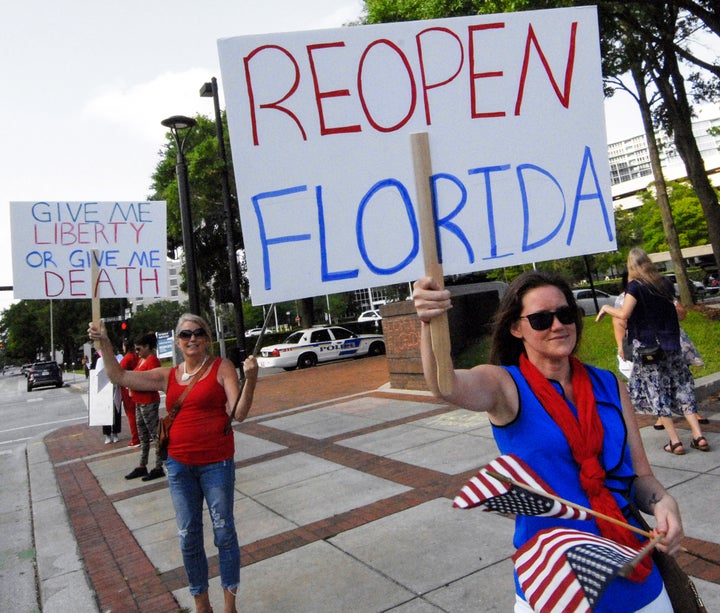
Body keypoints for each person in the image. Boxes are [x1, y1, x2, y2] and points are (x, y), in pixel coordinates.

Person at [414, 270, 682, 612]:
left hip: (634, 570)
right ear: (516, 328)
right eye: (541, 319)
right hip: (555, 580)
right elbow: (445, 385)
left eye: (565, 314)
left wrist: (662, 502)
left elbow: (640, 478)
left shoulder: (610, 385)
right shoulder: (504, 387)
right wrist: (428, 322)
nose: (557, 325)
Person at [89, 313, 258, 613]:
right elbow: (119, 377)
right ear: (178, 342)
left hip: (216, 463)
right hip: (179, 466)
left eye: (198, 333)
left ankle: (229, 604)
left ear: (206, 338)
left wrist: (252, 380)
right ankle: (201, 603)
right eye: (185, 334)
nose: (192, 338)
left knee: (224, 532)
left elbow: (239, 413)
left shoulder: (222, 368)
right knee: (188, 536)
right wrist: (105, 342)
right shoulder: (169, 375)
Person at [597, 248, 710, 455]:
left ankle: (675, 442)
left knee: (657, 392)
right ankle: (698, 436)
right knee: (683, 387)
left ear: (631, 266)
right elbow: (680, 313)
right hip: (672, 345)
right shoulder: (664, 283)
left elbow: (624, 314)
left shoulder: (635, 287)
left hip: (650, 348)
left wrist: (605, 309)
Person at [124, 332, 164, 481]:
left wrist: (134, 383)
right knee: (143, 435)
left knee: (155, 434)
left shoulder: (152, 361)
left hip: (148, 401)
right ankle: (143, 464)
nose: (137, 352)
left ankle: (159, 466)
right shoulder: (142, 360)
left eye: (139, 349)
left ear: (147, 347)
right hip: (139, 400)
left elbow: (151, 381)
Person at [119, 339, 140, 448]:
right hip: (135, 387)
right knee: (138, 413)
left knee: (130, 414)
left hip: (127, 389)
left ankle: (135, 438)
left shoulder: (127, 358)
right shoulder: (136, 357)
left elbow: (119, 372)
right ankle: (142, 435)